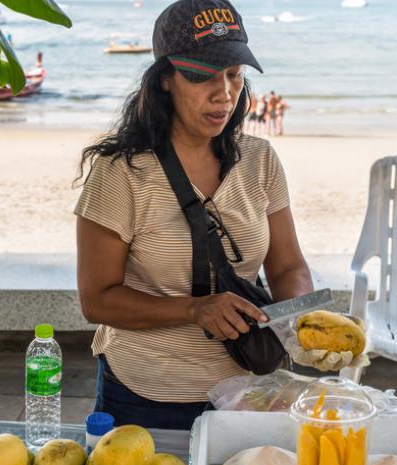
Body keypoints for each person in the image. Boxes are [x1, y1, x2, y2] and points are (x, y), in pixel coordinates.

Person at [74, 0, 313, 430]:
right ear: (165, 79)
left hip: (248, 395)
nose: (223, 93)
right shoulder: (120, 172)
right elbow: (96, 299)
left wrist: (302, 317)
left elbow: (289, 265)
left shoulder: (260, 159)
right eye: (202, 76)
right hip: (145, 397)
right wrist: (195, 310)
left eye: (234, 75)